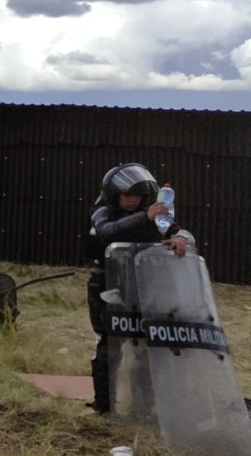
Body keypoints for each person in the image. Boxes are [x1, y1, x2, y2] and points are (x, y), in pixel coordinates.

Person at [85, 162, 194, 414]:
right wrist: (145, 217)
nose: (132, 200)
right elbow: (106, 233)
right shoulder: (102, 212)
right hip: (105, 287)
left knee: (146, 345)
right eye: (127, 195)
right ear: (115, 194)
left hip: (142, 286)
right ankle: (104, 407)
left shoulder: (152, 215)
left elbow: (179, 230)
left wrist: (181, 238)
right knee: (108, 346)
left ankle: (145, 405)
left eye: (137, 195)